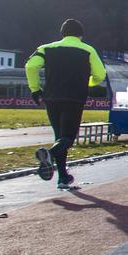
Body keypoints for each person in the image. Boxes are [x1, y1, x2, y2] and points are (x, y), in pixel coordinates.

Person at [25, 19, 107, 188]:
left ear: (62, 33)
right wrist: (88, 82)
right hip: (74, 98)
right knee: (68, 138)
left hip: (52, 97)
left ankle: (63, 177)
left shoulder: (46, 48)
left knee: (60, 137)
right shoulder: (88, 50)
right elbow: (100, 74)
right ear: (81, 35)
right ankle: (50, 153)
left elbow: (31, 66)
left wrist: (35, 90)